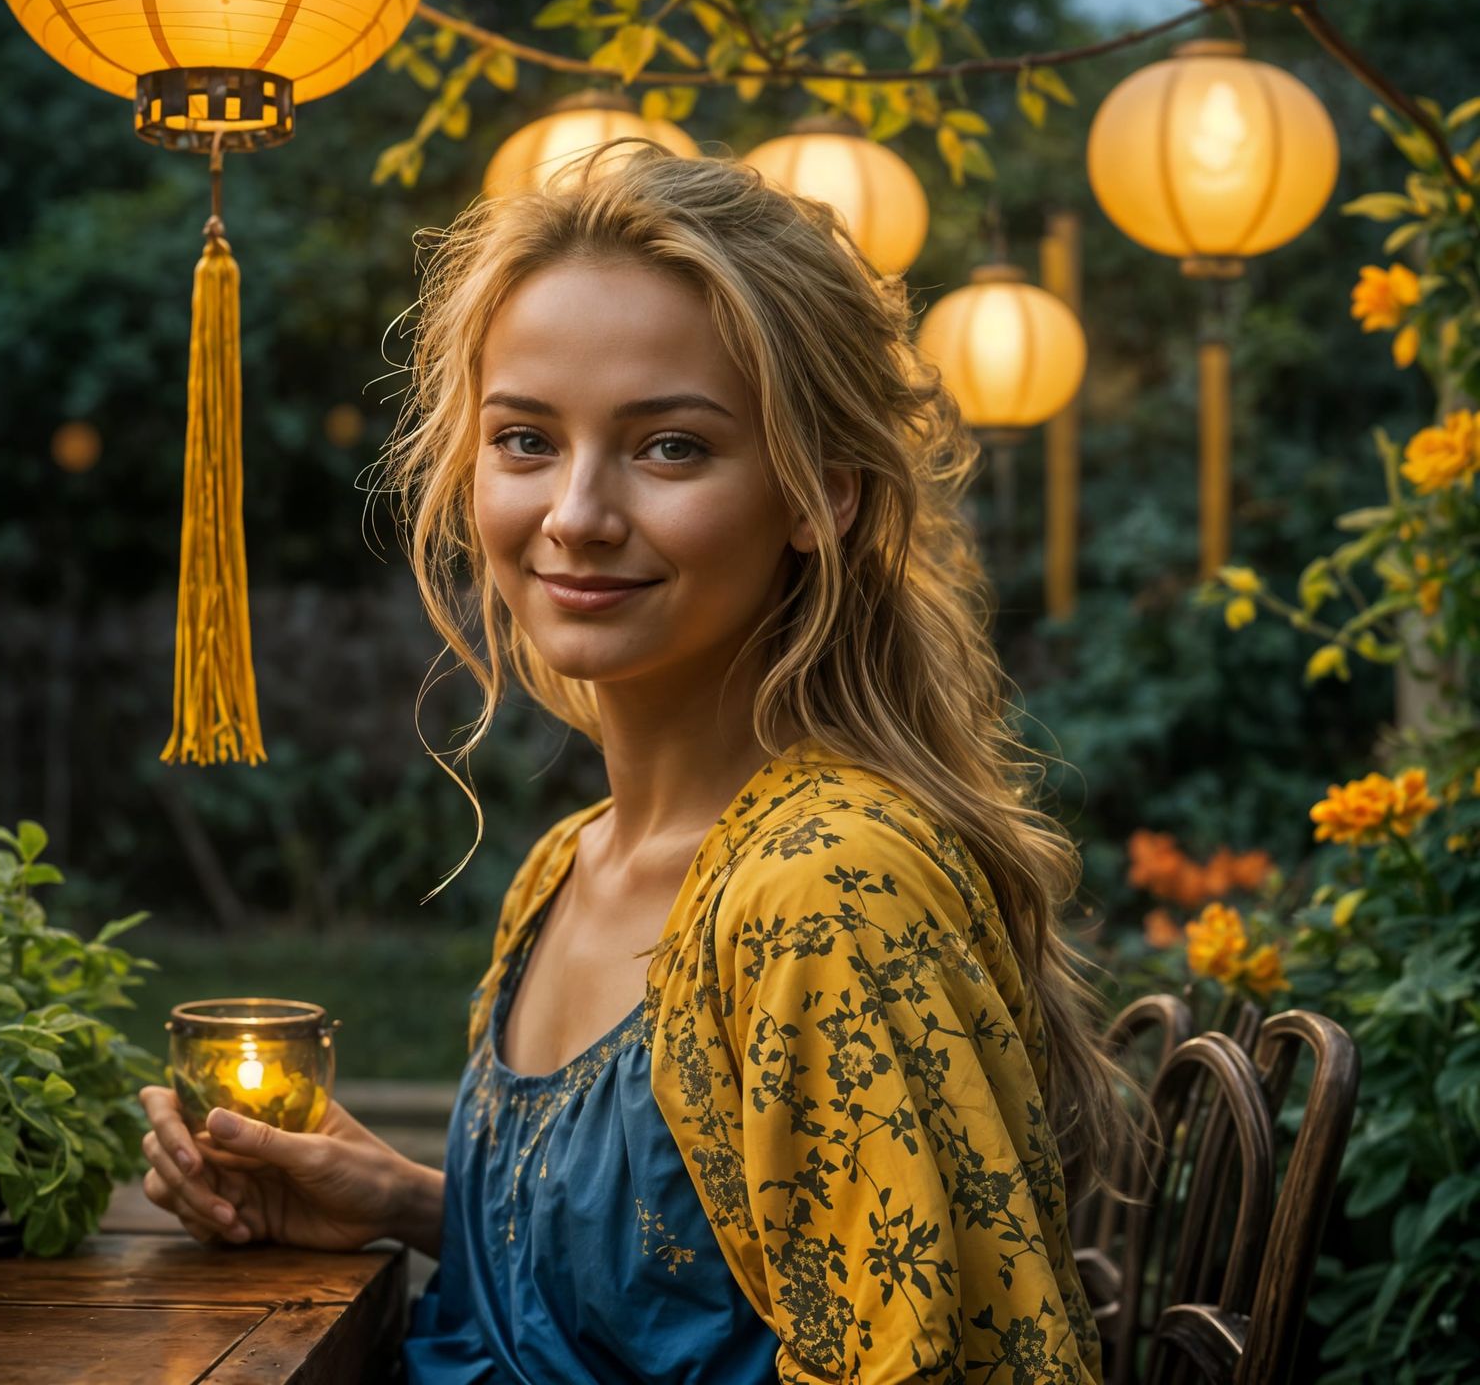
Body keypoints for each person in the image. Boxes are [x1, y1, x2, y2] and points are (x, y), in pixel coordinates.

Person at [138, 144, 1126, 1383]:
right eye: (525, 440)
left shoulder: (821, 894)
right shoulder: (567, 865)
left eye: (669, 448)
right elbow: (683, 1296)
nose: (576, 513)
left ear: (824, 494)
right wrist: (403, 1204)